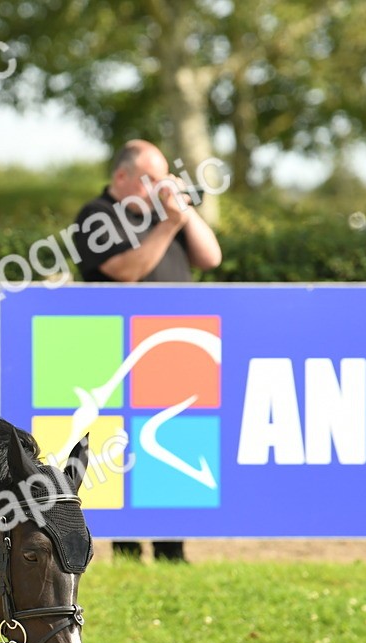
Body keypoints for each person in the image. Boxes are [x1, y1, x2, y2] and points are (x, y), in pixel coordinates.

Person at [71, 139, 222, 563]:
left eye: (164, 177)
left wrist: (182, 211)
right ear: (122, 177)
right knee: (122, 447)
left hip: (171, 345)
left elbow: (211, 257)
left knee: (170, 442)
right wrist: (169, 225)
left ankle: (172, 549)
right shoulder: (97, 216)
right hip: (117, 350)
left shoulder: (165, 214)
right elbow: (125, 271)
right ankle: (127, 547)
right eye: (150, 179)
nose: (160, 186)